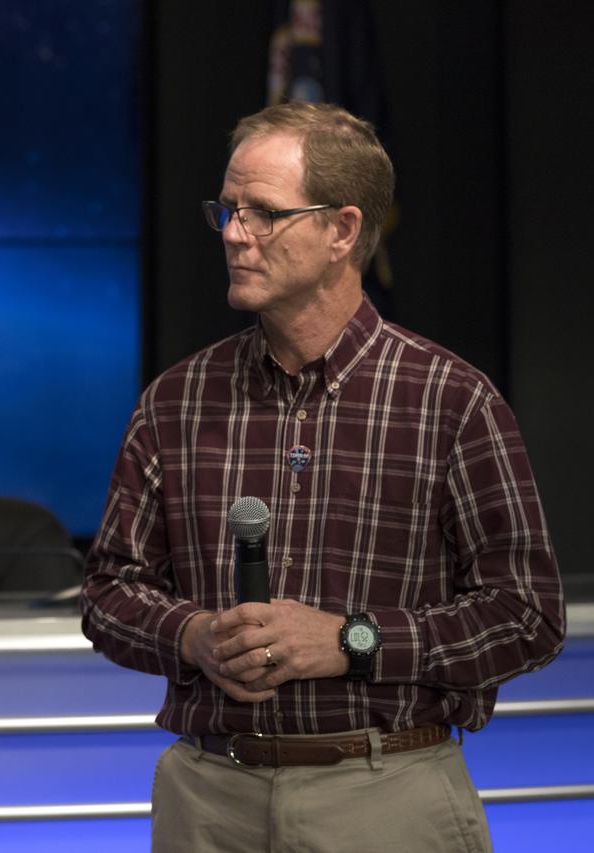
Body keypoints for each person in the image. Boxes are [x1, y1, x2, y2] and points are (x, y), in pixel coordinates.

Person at [80, 102, 565, 853]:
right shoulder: (176, 399)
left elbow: (527, 615)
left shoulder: (449, 398)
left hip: (387, 793)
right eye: (228, 210)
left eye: (264, 213)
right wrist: (197, 635)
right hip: (209, 797)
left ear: (342, 229)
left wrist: (352, 639)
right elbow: (109, 591)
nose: (235, 234)